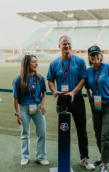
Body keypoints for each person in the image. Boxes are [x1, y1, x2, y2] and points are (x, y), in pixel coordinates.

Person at [47, 35, 95, 170]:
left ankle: (84, 158)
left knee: (81, 130)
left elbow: (83, 79)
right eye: (64, 44)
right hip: (62, 100)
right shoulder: (54, 63)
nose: (67, 46)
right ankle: (63, 161)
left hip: (77, 99)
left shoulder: (79, 62)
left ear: (71, 46)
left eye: (68, 44)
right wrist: (54, 90)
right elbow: (50, 79)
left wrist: (74, 91)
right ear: (59, 47)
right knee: (63, 130)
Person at [85, 45, 109, 172]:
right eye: (92, 55)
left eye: (97, 54)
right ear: (89, 58)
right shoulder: (88, 71)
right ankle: (103, 155)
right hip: (96, 105)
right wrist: (90, 98)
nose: (95, 57)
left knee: (106, 134)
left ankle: (104, 164)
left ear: (101, 55)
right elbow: (87, 87)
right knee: (98, 132)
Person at [13, 55, 49, 166]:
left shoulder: (40, 78)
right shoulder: (18, 80)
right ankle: (25, 156)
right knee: (25, 133)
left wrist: (42, 105)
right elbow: (15, 98)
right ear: (26, 64)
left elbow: (44, 93)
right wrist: (17, 114)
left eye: (36, 62)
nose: (36, 64)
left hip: (37, 108)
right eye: (33, 62)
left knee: (42, 132)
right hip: (23, 108)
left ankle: (40, 157)